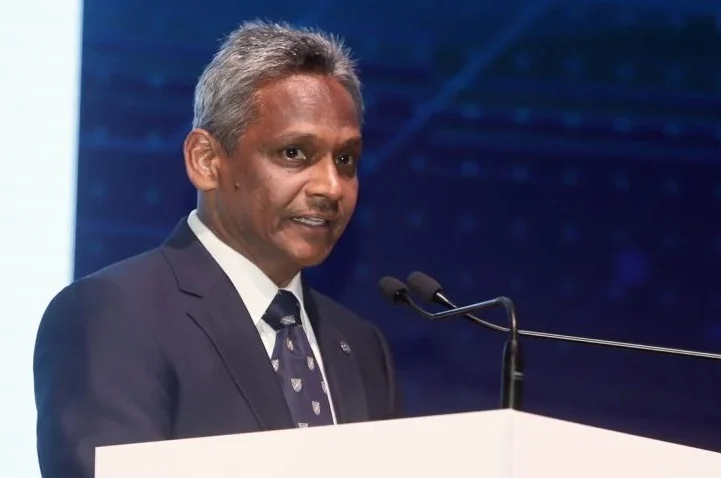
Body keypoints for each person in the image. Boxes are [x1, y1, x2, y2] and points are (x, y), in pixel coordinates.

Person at [33, 20, 402, 478]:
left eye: (345, 159)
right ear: (206, 161)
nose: (331, 186)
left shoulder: (362, 346)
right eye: (294, 153)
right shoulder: (114, 315)